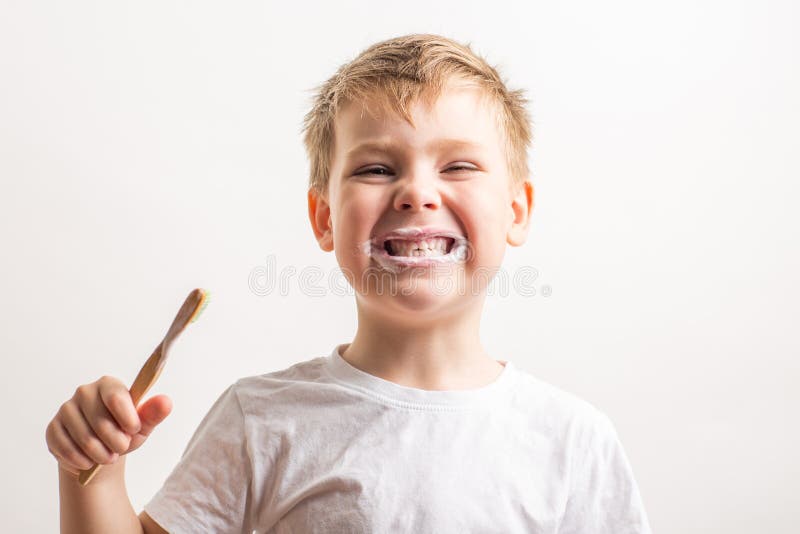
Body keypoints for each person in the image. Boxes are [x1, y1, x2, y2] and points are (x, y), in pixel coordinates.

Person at [46, 33, 653, 533]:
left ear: (517, 211)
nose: (417, 192)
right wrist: (95, 469)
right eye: (376, 168)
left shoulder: (575, 443)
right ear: (325, 218)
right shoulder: (259, 420)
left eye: (459, 165)